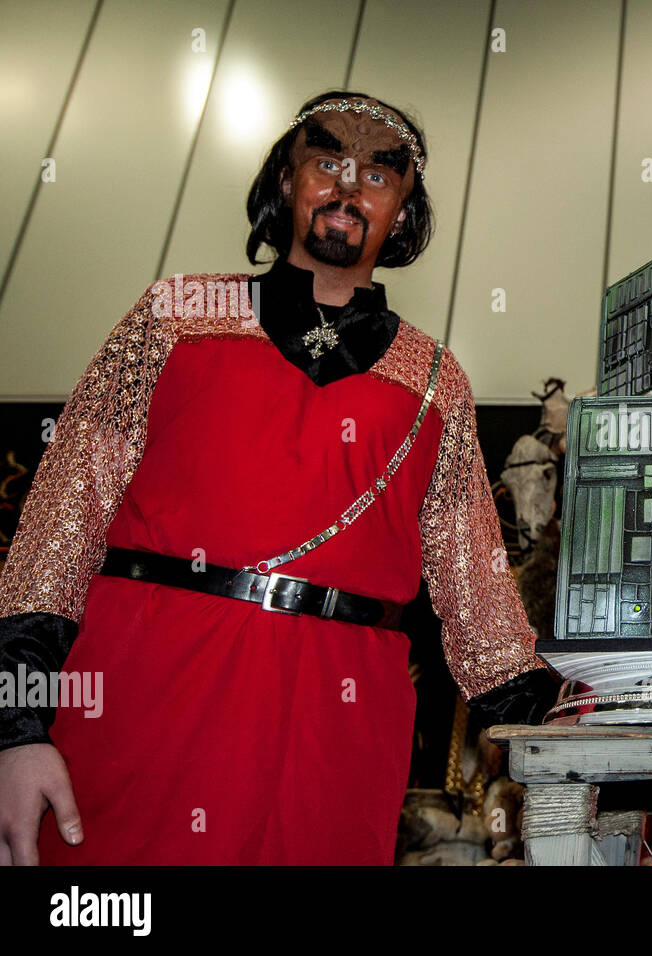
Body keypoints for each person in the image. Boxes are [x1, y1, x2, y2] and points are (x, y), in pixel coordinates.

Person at [0, 91, 554, 865]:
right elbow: (58, 530)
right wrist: (16, 730)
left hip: (336, 723)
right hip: (145, 695)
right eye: (326, 162)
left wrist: (594, 714)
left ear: (402, 210)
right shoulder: (175, 313)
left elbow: (484, 618)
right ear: (286, 183)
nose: (348, 187)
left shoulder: (436, 380)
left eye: (377, 175)